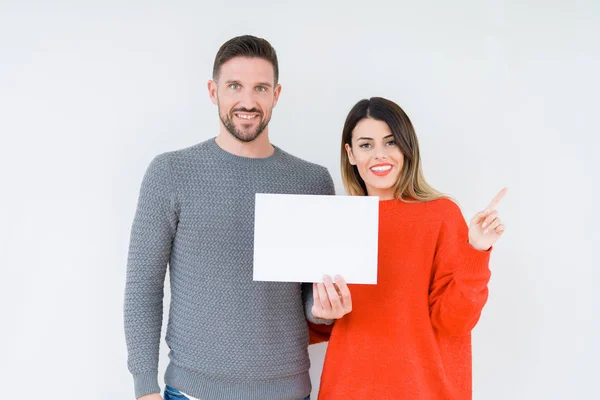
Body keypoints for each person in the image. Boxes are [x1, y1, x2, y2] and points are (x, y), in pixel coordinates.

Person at [124, 35, 345, 400]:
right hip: (191, 390)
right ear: (214, 91)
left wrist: (323, 310)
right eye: (234, 86)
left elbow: (308, 293)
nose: (248, 101)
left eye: (260, 87)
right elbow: (143, 285)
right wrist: (145, 385)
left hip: (288, 391)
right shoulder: (171, 172)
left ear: (276, 95)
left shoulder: (311, 180)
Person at [310, 97, 506, 399]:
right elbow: (320, 328)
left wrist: (476, 252)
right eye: (365, 145)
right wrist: (320, 312)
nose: (379, 155)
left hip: (425, 390)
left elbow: (455, 322)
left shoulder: (440, 215)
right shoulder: (336, 220)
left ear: (406, 148)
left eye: (390, 143)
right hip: (347, 388)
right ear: (350, 154)